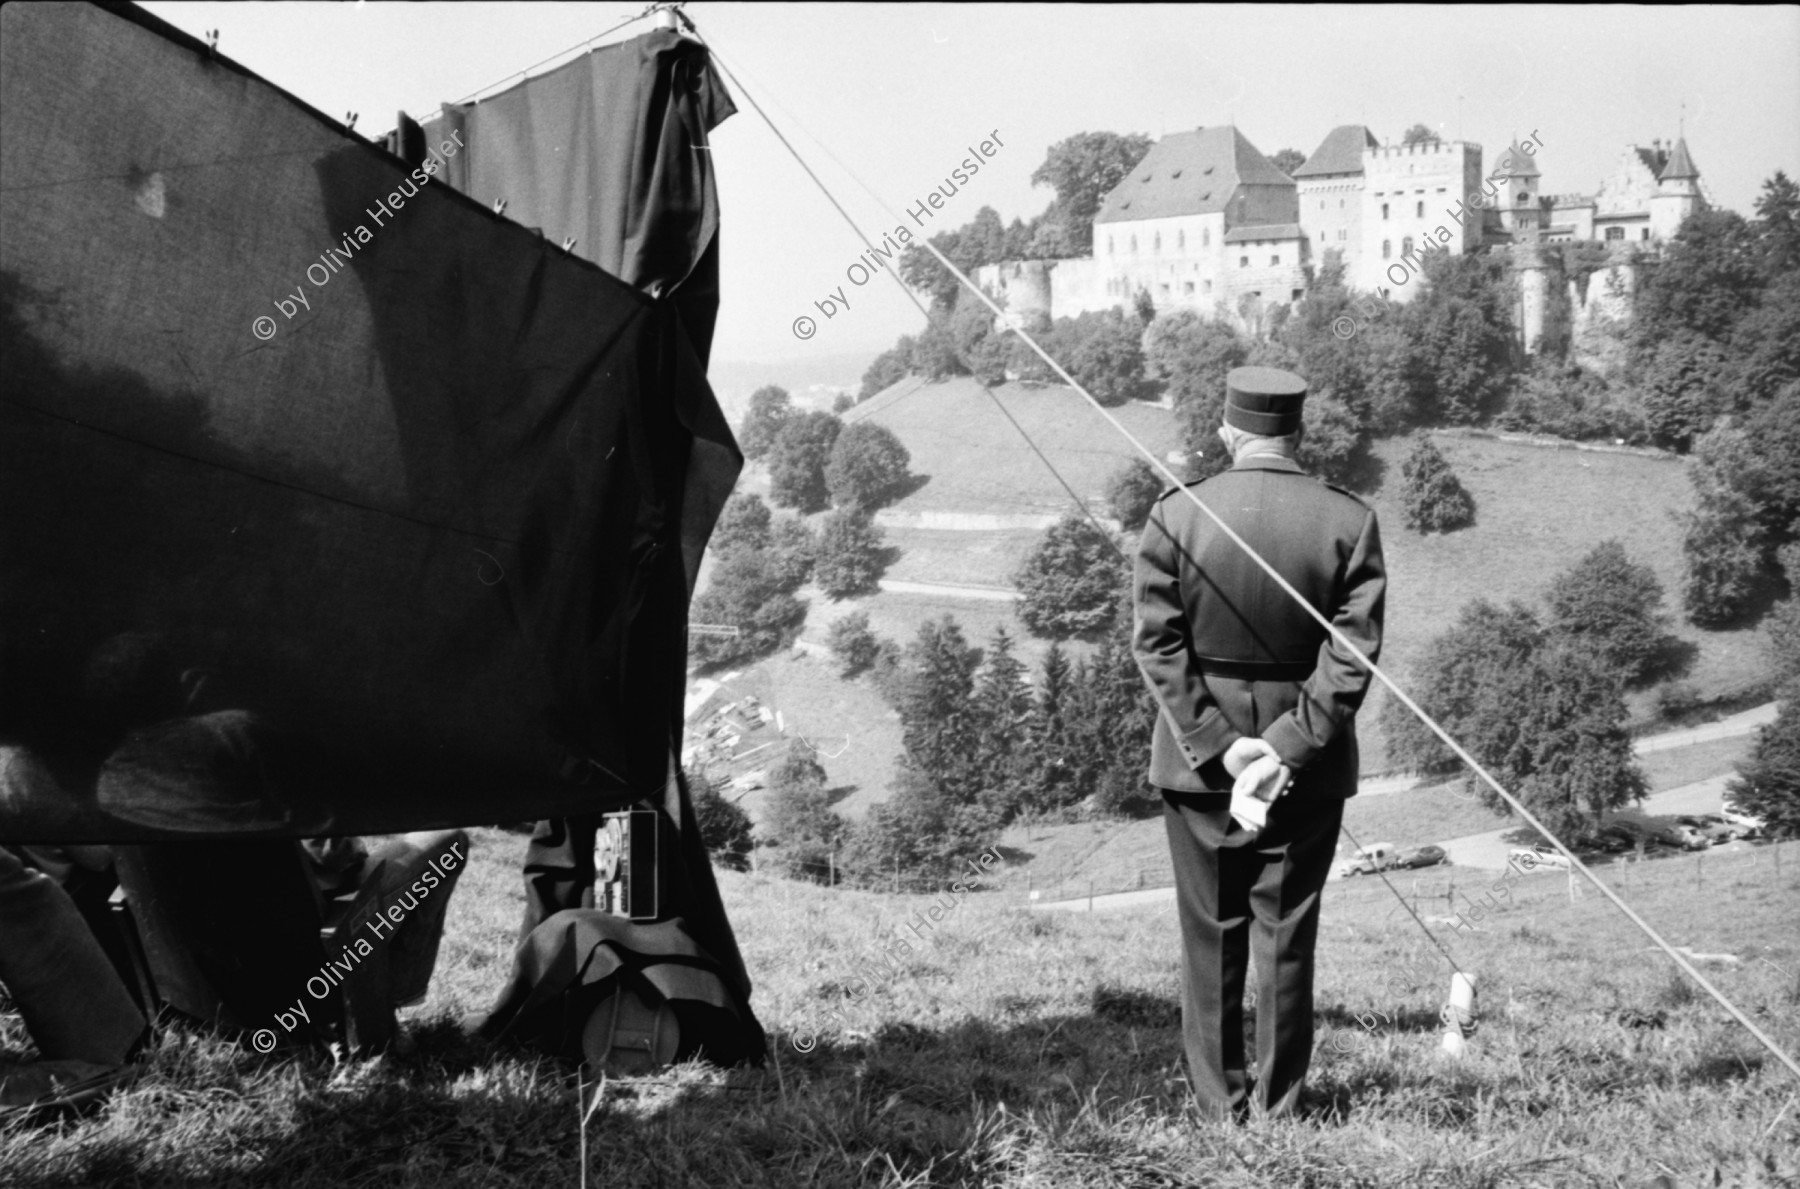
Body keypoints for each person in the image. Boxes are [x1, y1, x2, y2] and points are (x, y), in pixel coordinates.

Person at [1131, 365, 1386, 1121]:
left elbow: (1158, 644)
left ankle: (1221, 1109)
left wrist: (1221, 743)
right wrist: (1286, 744)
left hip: (1197, 762)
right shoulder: (1348, 518)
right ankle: (1279, 1110)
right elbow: (1354, 654)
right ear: (1298, 433)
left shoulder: (1179, 513)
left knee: (1211, 935)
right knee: (1286, 934)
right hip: (1307, 765)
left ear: (1227, 432)